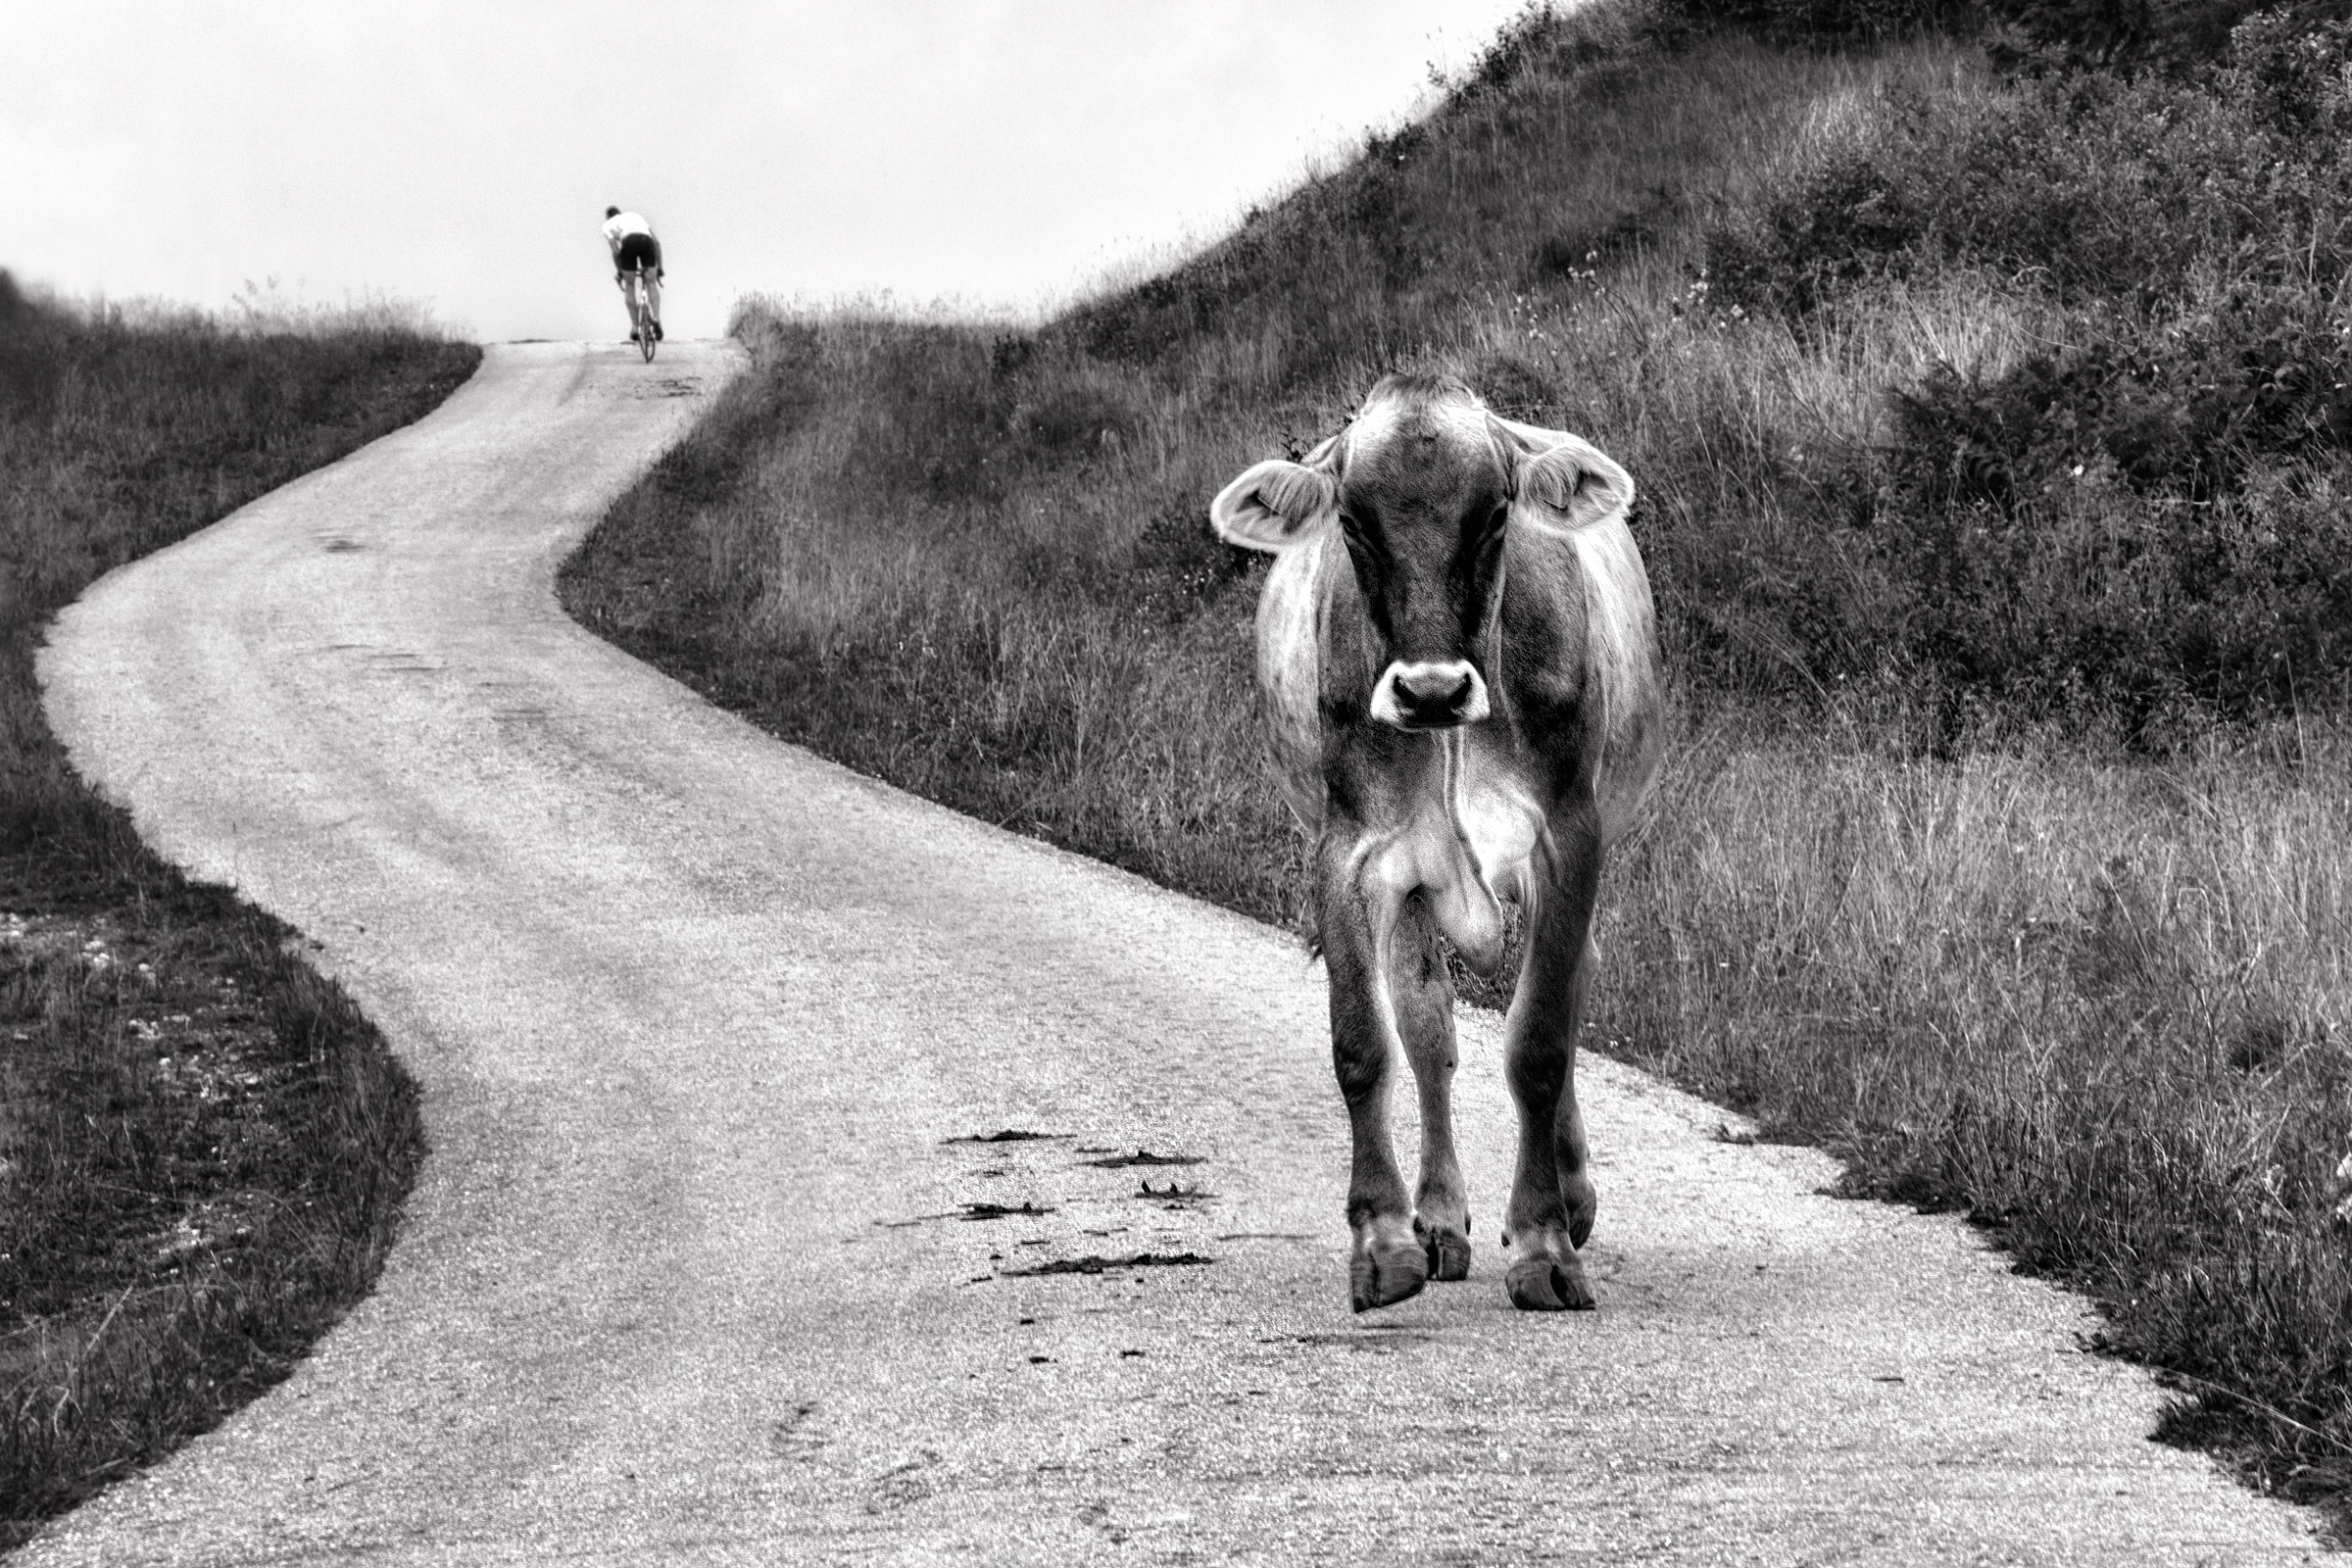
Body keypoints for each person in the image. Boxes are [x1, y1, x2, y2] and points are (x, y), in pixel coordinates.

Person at [601, 206, 663, 342]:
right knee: (651, 283)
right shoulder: (635, 216)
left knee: (629, 286)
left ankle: (635, 327)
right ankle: (656, 318)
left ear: (608, 217)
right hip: (645, 241)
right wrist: (660, 268)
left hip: (628, 243)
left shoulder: (607, 225)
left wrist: (620, 271)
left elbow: (615, 251)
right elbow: (657, 243)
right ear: (620, 213)